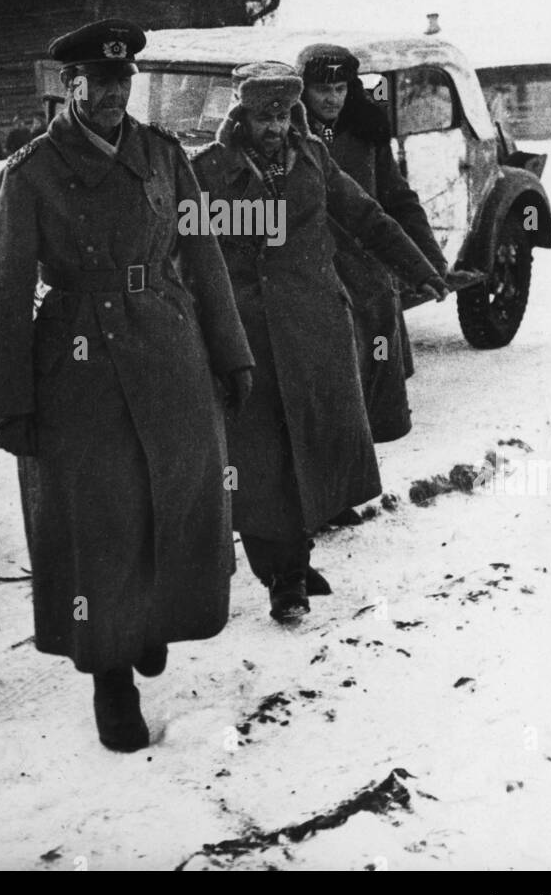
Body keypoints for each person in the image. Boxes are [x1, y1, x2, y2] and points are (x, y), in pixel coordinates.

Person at [0, 18, 254, 754]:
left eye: (122, 82)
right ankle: (111, 678)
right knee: (99, 523)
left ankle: (152, 620)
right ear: (70, 85)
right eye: (98, 84)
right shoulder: (29, 173)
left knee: (178, 498)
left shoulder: (163, 157)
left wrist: (230, 352)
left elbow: (203, 251)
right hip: (79, 368)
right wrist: (7, 402)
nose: (111, 96)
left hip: (168, 348)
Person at [191, 63, 448, 624]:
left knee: (311, 445)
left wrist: (421, 269)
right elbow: (185, 250)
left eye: (283, 115)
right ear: (241, 115)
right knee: (261, 457)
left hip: (316, 330)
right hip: (250, 336)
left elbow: (369, 217)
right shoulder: (208, 172)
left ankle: (296, 557)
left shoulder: (313, 158)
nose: (274, 128)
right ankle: (282, 578)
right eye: (263, 117)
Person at [295, 44, 449, 448]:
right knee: (323, 391)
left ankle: (356, 486)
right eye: (321, 89)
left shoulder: (367, 130)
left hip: (366, 278)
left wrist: (429, 262)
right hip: (314, 277)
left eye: (342, 89)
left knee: (369, 389)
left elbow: (398, 200)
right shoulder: (289, 135)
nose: (332, 99)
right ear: (302, 90)